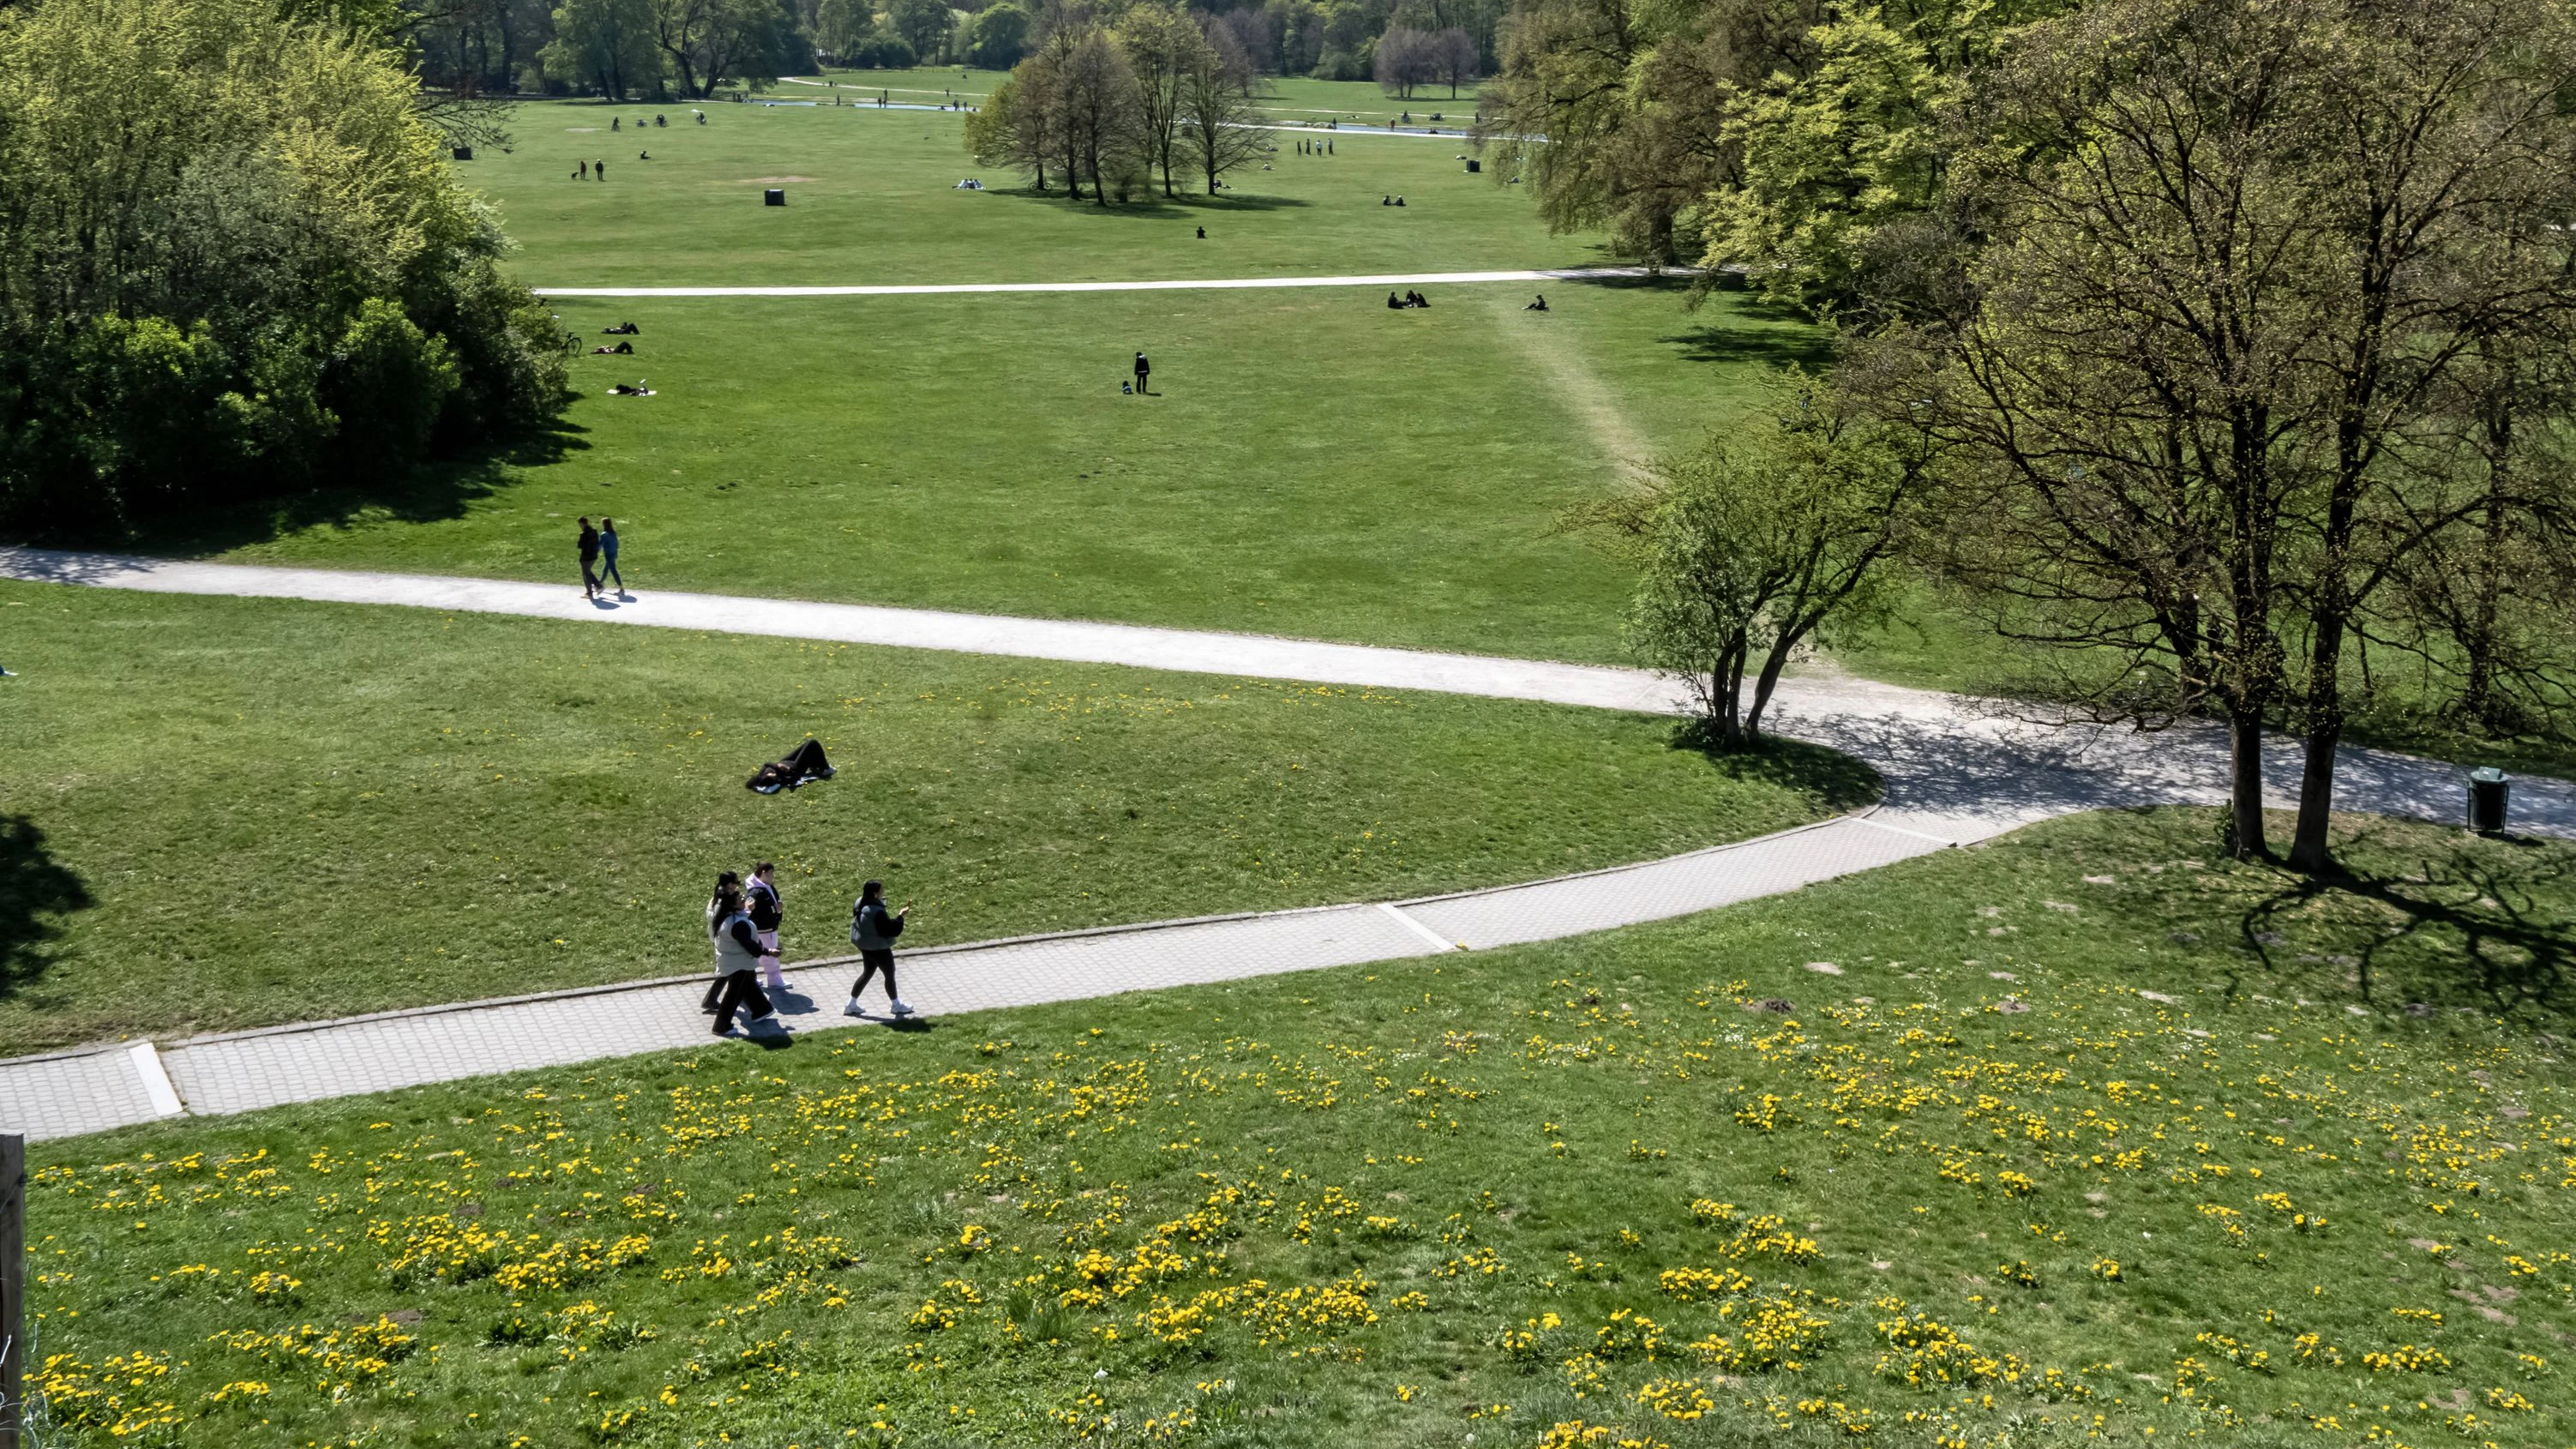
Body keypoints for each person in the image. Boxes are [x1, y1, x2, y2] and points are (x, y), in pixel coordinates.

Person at [707, 875, 777, 1035]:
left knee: (747, 985)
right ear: (733, 905)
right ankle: (721, 1027)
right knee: (732, 996)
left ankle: (762, 1010)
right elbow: (750, 945)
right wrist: (768, 951)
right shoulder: (736, 923)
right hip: (738, 963)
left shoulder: (727, 918)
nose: (744, 900)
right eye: (741, 899)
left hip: (734, 962)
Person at [844, 880, 913, 1017]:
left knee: (867, 973)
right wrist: (901, 916)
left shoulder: (859, 902)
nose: (883, 892)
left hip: (865, 945)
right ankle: (896, 1005)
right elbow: (889, 930)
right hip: (878, 948)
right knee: (889, 973)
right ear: (875, 894)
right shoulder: (877, 912)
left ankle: (851, 1005)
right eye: (881, 891)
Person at [746, 861, 788, 991]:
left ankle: (751, 979)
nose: (772, 877)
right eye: (771, 874)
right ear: (763, 873)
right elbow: (750, 908)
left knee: (758, 954)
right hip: (765, 929)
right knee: (770, 954)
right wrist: (775, 910)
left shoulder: (766, 886)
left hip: (768, 927)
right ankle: (774, 980)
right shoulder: (756, 892)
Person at [599, 517, 627, 593]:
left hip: (608, 554)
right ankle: (600, 583)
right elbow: (617, 544)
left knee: (613, 570)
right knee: (606, 569)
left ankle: (621, 588)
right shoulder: (613, 532)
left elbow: (600, 545)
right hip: (614, 553)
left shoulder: (604, 534)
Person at [576, 517, 602, 598]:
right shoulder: (594, 531)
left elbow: (580, 546)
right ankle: (598, 586)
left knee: (586, 575)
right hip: (594, 556)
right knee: (588, 572)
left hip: (586, 557)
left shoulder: (583, 534)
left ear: (582, 524)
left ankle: (589, 593)